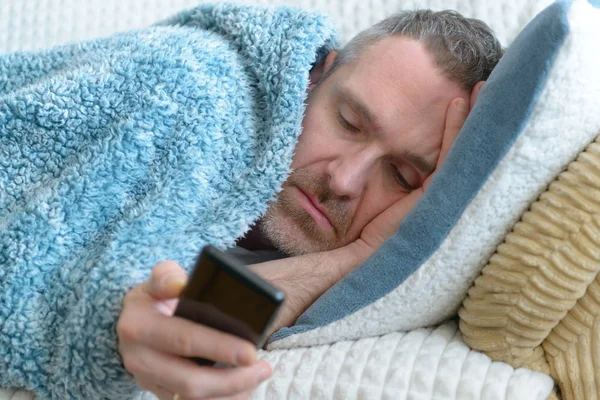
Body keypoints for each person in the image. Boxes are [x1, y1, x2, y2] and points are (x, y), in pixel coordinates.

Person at [115, 9, 503, 400]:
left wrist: (364, 253)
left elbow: (188, 331)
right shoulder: (192, 89)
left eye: (401, 177)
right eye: (349, 122)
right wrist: (106, 323)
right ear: (318, 76)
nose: (344, 180)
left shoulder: (356, 265)